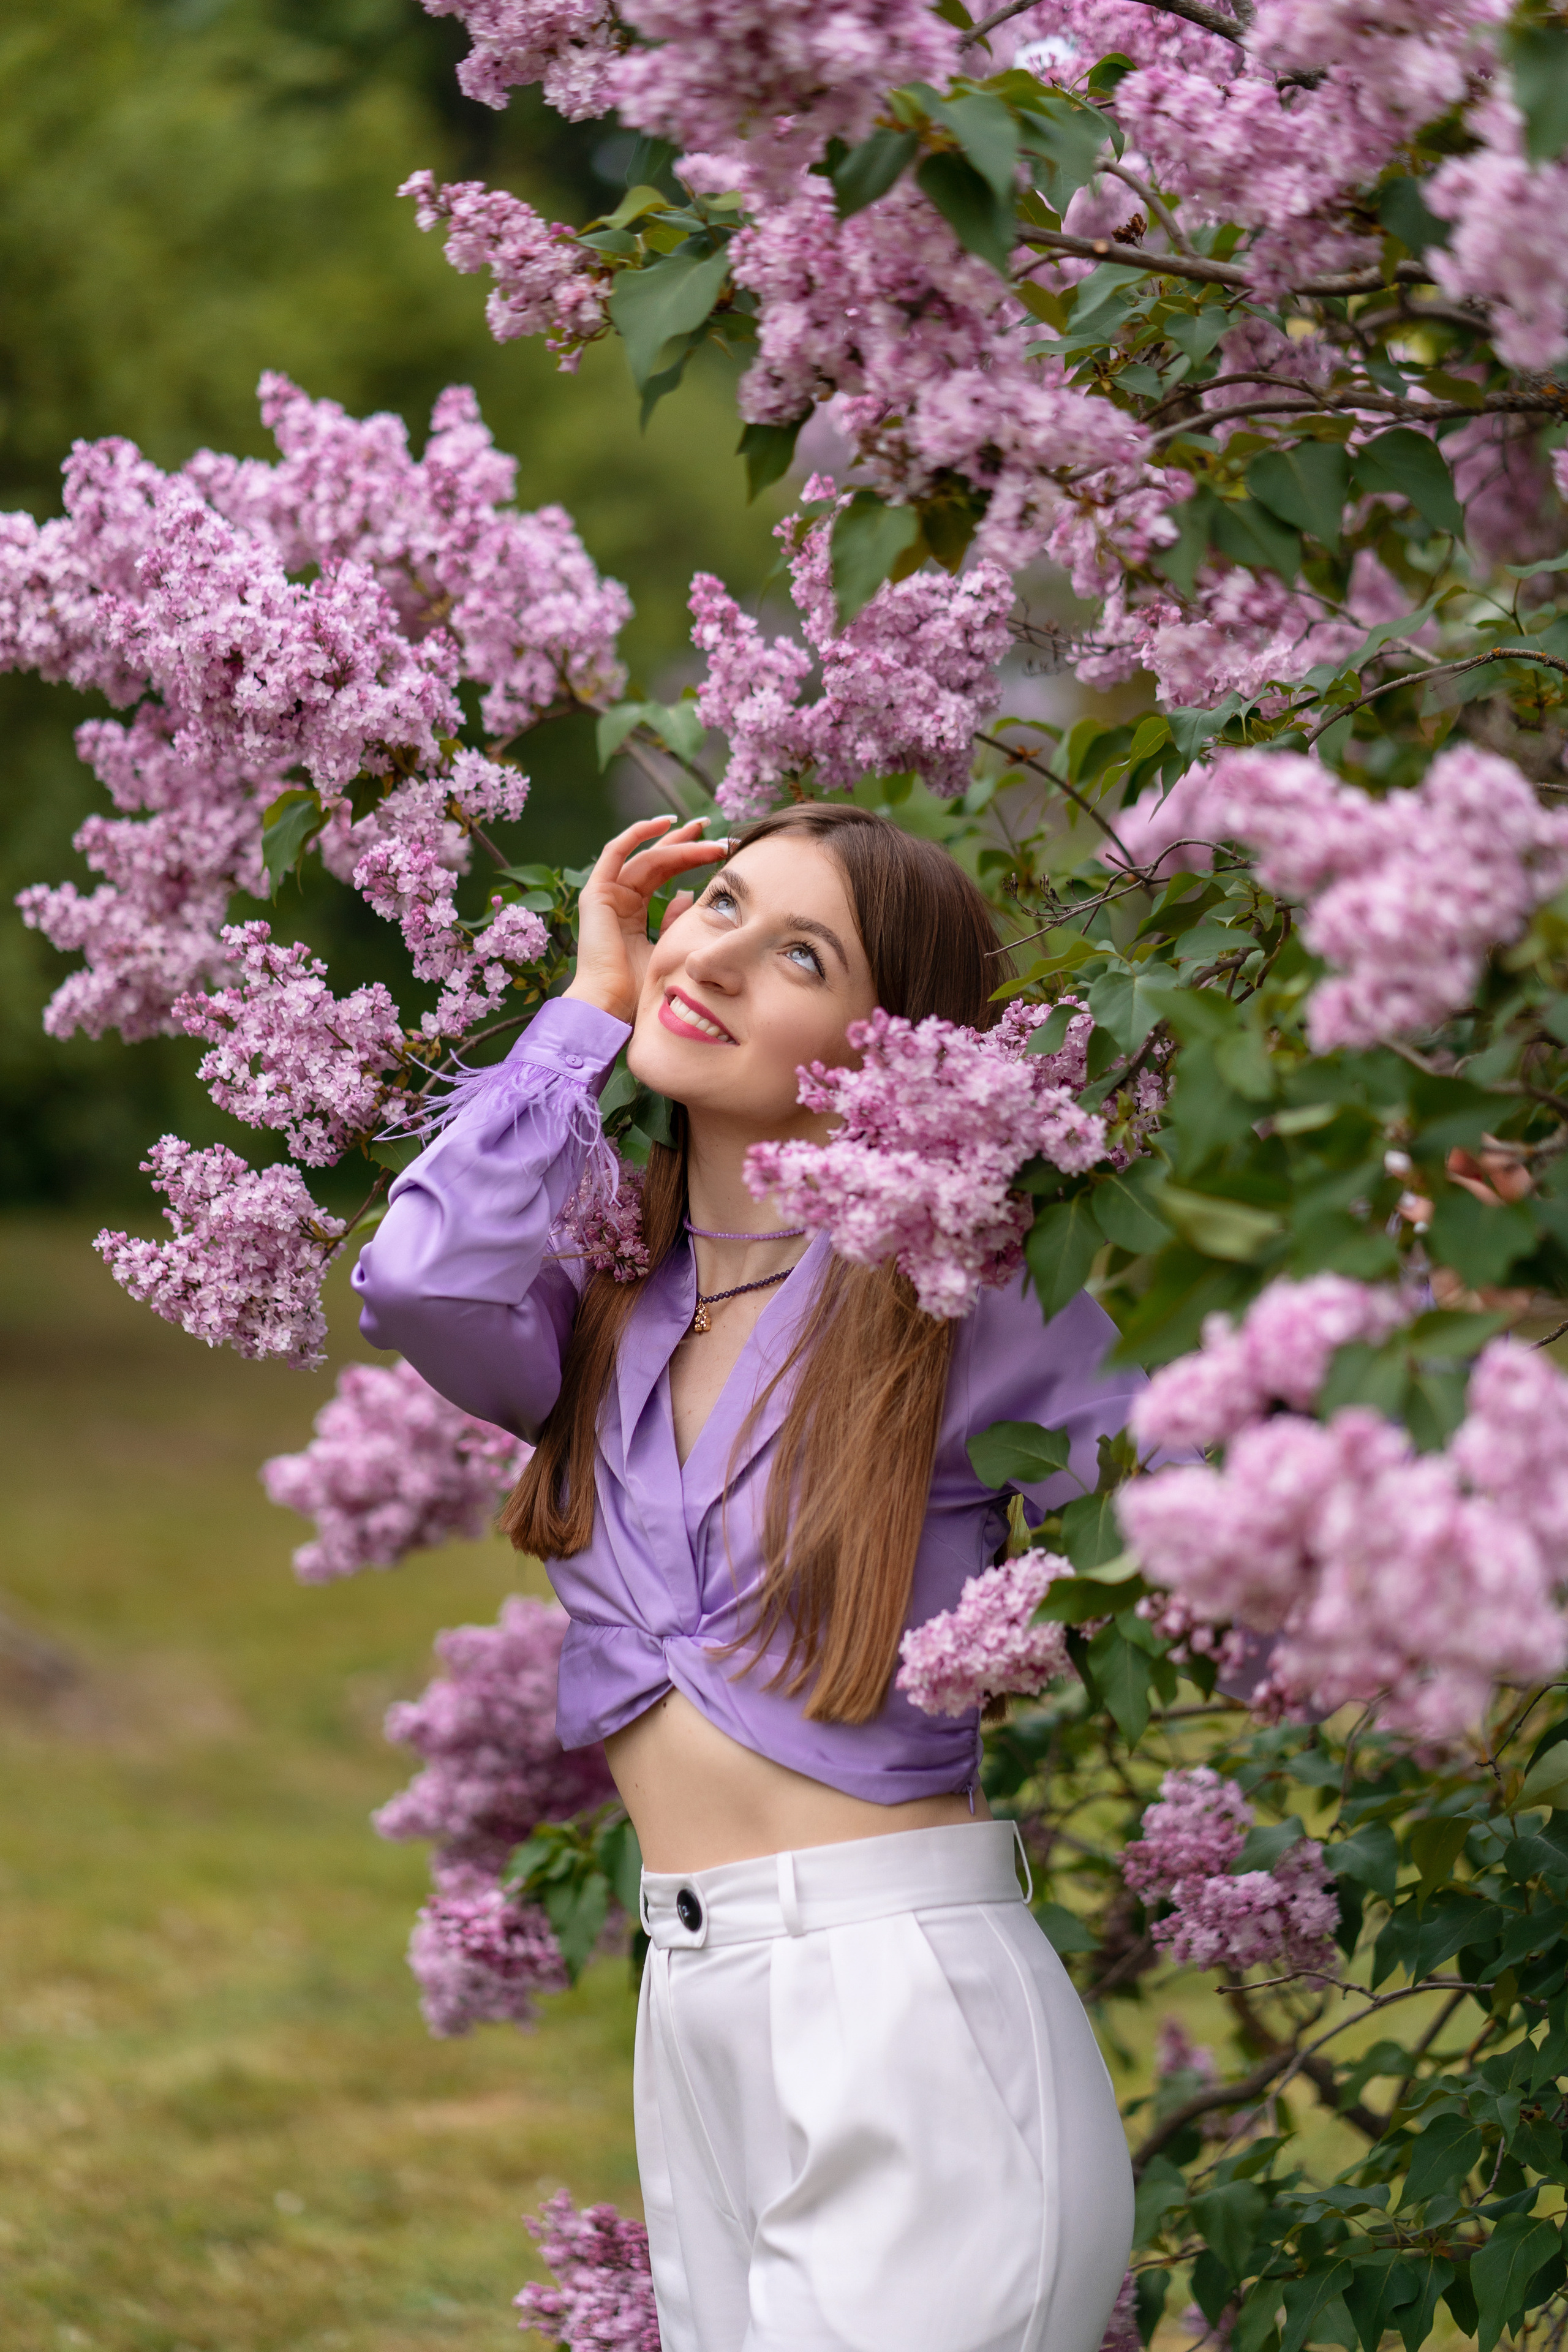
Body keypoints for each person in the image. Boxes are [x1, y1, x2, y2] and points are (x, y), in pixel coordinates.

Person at [354, 803, 1138, 2352]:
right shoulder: (603, 1304)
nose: (707, 952)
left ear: (886, 1043)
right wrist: (582, 1010)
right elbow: (420, 1277)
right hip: (694, 2004)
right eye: (713, 903)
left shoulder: (958, 1296)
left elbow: (1205, 1511)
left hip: (904, 2009)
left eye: (798, 952)